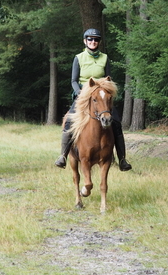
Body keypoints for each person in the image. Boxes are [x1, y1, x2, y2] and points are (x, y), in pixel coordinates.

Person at [55, 28, 132, 171]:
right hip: (84, 96)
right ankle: (63, 156)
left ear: (99, 42)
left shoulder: (105, 58)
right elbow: (73, 80)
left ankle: (122, 159)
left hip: (101, 96)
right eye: (90, 39)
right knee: (70, 121)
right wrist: (80, 93)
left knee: (115, 122)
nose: (93, 42)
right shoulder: (78, 58)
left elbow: (108, 79)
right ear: (85, 41)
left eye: (96, 39)